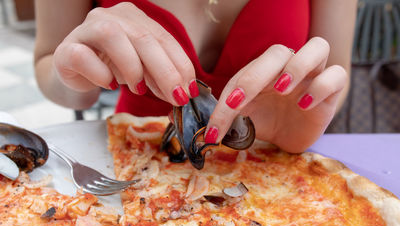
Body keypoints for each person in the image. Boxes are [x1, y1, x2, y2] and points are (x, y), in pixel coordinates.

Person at [34, 0, 357, 153]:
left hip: (275, 162)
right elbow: (48, 61)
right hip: (130, 162)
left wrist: (303, 107)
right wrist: (77, 74)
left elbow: (335, 72)